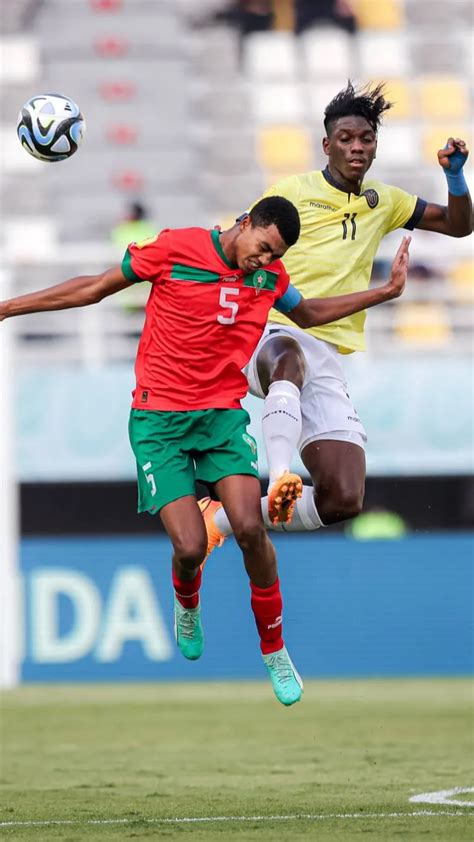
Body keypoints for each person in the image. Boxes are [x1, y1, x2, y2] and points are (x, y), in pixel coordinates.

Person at [0, 196, 411, 706]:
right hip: (158, 422)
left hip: (220, 417)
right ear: (246, 223)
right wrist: (8, 307)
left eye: (274, 254)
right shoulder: (175, 248)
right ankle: (187, 600)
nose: (264, 261)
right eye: (262, 248)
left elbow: (308, 313)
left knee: (249, 527)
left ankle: (275, 650)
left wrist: (384, 292)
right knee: (191, 547)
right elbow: (95, 287)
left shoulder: (269, 277)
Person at [200, 80, 471, 558]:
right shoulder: (292, 191)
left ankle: (218, 519)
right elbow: (237, 241)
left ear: (375, 145)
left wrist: (454, 177)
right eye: (346, 138)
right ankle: (281, 472)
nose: (357, 147)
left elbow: (458, 225)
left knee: (343, 498)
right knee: (288, 353)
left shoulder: (385, 202)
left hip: (324, 347)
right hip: (267, 329)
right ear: (327, 145)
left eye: (366, 138)